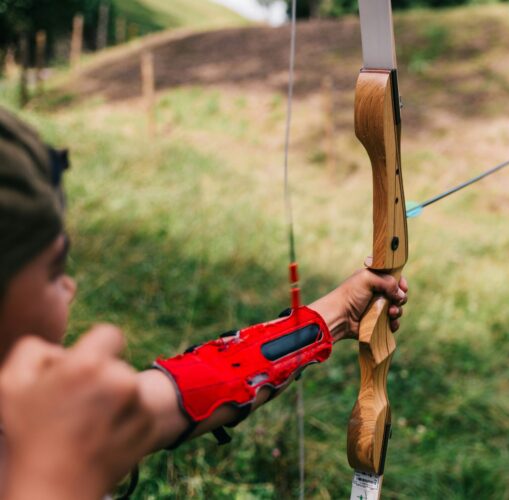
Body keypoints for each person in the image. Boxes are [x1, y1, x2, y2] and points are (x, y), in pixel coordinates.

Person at [0, 107, 408, 499]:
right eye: (54, 270)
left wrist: (333, 315)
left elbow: (200, 386)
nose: (69, 287)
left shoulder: (44, 405)